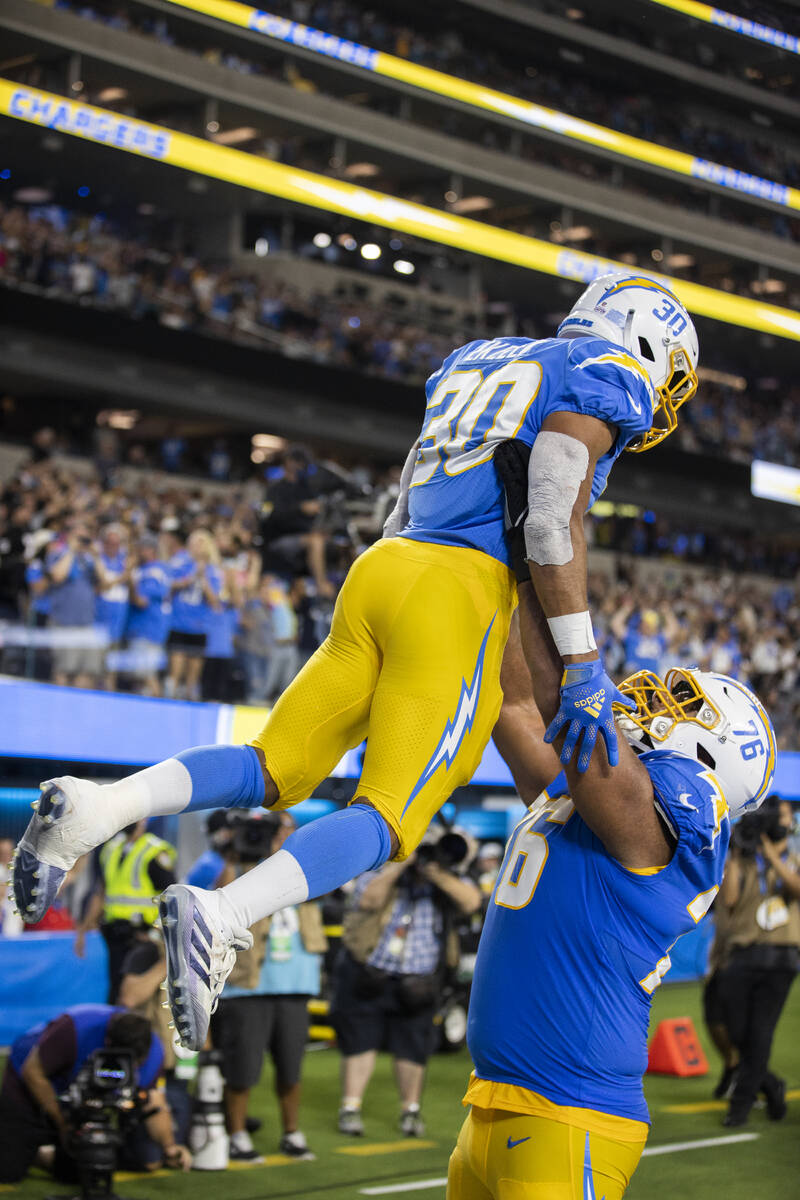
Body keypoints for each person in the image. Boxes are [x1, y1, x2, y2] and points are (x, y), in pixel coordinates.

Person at [13, 273, 701, 1051]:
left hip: (384, 565)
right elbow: (549, 526)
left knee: (274, 763)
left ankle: (97, 808)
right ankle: (225, 914)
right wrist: (582, 667)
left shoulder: (481, 358)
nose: (663, 396)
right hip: (456, 592)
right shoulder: (601, 377)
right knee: (390, 817)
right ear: (644, 339)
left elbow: (405, 495)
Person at [445, 532, 775, 1197]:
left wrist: (544, 549)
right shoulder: (590, 798)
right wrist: (503, 568)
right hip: (497, 1103)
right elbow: (513, 704)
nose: (654, 704)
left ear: (712, 761)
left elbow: (576, 717)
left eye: (684, 709)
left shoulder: (673, 823)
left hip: (573, 1118)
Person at [332, 829, 482, 1139]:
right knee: (360, 1043)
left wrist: (434, 871)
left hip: (421, 981)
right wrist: (402, 863)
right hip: (371, 973)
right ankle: (350, 1107)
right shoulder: (383, 872)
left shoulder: (445, 879)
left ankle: (410, 1110)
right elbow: (367, 899)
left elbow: (472, 902)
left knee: (413, 1049)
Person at [211, 811, 327, 1162]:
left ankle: (292, 1133)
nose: (280, 836)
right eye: (275, 831)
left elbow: (330, 883)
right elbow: (219, 898)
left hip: (295, 985)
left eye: (286, 830)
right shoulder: (243, 866)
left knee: (291, 1068)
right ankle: (238, 1135)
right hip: (248, 986)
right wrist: (238, 854)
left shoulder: (307, 868)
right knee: (242, 1067)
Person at [0, 1005, 190, 1184]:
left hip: (79, 1093)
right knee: (7, 1170)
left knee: (83, 1172)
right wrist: (62, 1122)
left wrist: (169, 1147)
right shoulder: (75, 1029)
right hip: (28, 1079)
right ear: (107, 1043)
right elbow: (33, 1073)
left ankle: (42, 1155)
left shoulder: (154, 1053)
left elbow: (154, 1101)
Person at [716, 794, 800, 1127]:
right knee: (738, 1033)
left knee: (760, 1033)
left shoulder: (793, 858)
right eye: (777, 816)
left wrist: (770, 855)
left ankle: (740, 1105)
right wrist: (735, 854)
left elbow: (795, 887)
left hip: (781, 959)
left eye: (784, 817)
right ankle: (771, 1084)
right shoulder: (746, 860)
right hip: (743, 955)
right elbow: (731, 899)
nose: (782, 822)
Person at [75, 820, 177, 1002]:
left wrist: (156, 933)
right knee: (115, 989)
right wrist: (83, 930)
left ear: (143, 821)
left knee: (133, 995)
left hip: (143, 935)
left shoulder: (154, 851)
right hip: (114, 935)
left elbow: (171, 896)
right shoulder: (111, 849)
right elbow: (101, 891)